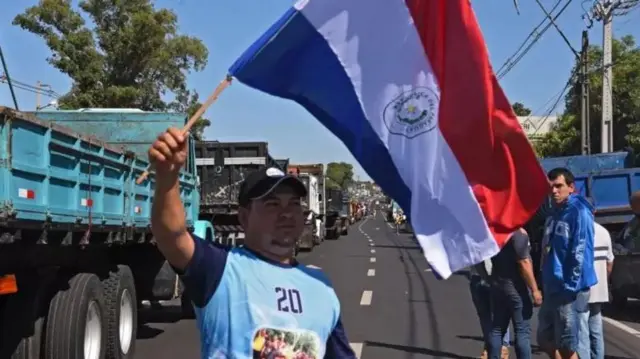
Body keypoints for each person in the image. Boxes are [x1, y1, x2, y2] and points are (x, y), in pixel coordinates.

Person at [148, 128, 356, 359]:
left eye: (293, 204)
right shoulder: (220, 269)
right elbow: (172, 235)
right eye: (272, 205)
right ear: (244, 217)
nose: (286, 213)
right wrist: (168, 177)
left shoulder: (321, 287)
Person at [537, 167, 597, 359]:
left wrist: (570, 286)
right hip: (552, 286)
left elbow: (580, 250)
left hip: (570, 289)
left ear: (571, 187)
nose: (554, 191)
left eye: (559, 186)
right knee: (544, 338)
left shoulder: (578, 212)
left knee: (568, 344)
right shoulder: (555, 213)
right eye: (551, 187)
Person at [487, 228, 542, 359]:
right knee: (522, 331)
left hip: (498, 283)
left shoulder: (493, 232)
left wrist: (487, 278)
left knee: (497, 329)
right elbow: (524, 263)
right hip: (516, 287)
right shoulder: (517, 235)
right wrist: (535, 289)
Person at [577, 210, 614, 359]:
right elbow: (610, 261)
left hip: (582, 288)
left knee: (582, 329)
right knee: (596, 328)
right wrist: (604, 279)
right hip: (599, 289)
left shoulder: (578, 230)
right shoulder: (604, 232)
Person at [468, 262, 510, 359]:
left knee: (499, 314)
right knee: (485, 316)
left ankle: (502, 347)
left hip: (496, 276)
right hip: (478, 276)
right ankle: (490, 347)